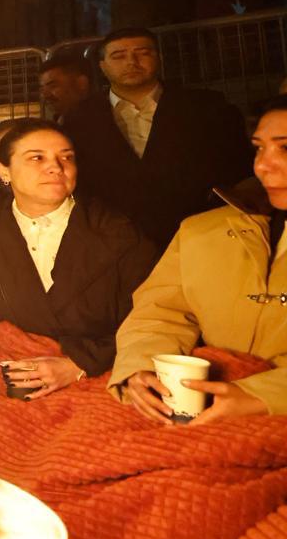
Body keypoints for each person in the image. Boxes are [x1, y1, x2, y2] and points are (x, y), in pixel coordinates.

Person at [0, 119, 158, 411]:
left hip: (105, 372)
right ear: (4, 171)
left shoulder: (120, 234)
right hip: (11, 376)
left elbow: (149, 316)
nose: (56, 167)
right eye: (37, 158)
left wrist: (78, 365)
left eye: (66, 157)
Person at [109, 95, 287, 423]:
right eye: (259, 148)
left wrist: (263, 396)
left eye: (285, 148)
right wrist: (142, 368)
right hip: (202, 405)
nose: (263, 165)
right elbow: (160, 311)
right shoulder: (202, 232)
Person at [62, 28, 253, 247]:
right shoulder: (80, 118)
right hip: (115, 239)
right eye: (119, 56)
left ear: (158, 58)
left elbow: (237, 164)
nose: (131, 62)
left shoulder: (205, 106)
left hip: (199, 231)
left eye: (143, 53)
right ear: (103, 66)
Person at [37, 53, 92, 122]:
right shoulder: (64, 118)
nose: (46, 95)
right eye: (42, 89)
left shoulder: (91, 120)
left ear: (81, 83)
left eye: (53, 86)